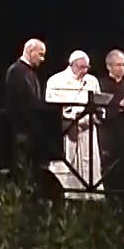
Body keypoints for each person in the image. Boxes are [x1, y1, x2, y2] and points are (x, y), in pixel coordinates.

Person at [45, 49, 104, 200]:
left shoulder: (92, 81)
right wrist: (73, 114)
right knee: (68, 169)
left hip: (88, 132)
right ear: (72, 65)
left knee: (90, 170)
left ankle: (91, 200)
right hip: (68, 131)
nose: (84, 71)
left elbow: (99, 105)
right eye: (81, 67)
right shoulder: (56, 81)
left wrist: (98, 112)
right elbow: (52, 108)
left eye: (87, 67)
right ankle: (67, 198)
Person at [0, 38, 49, 180]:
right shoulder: (16, 71)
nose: (43, 59)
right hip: (21, 131)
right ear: (30, 51)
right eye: (40, 54)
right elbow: (19, 104)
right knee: (22, 171)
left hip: (30, 131)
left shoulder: (29, 72)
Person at [100, 48, 124, 191]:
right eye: (118, 65)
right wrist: (119, 108)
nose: (121, 68)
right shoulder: (101, 85)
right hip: (108, 135)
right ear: (109, 66)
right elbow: (100, 110)